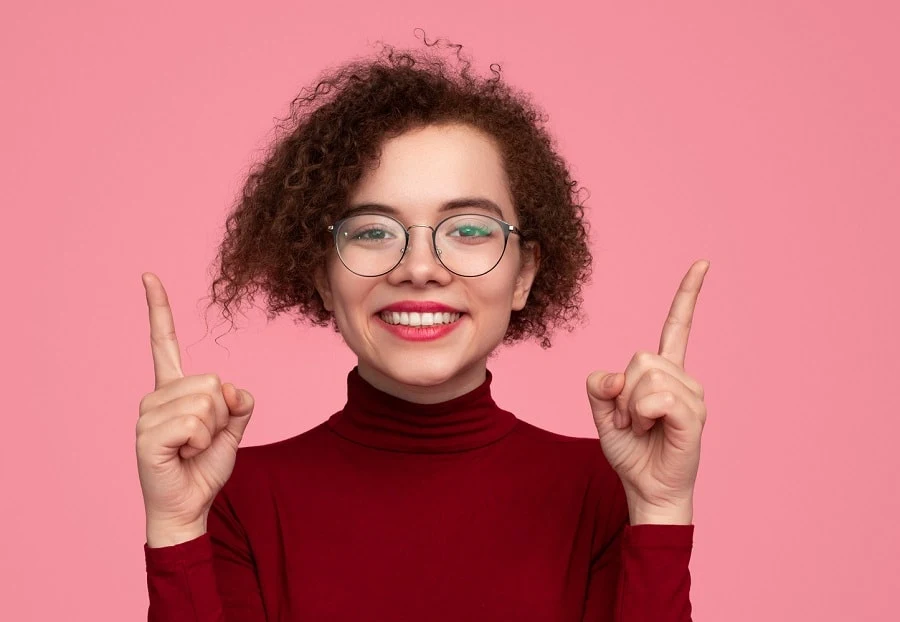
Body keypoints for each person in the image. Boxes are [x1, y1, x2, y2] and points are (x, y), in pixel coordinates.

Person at [137, 34, 710, 621]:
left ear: (524, 274)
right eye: (372, 231)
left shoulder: (609, 490)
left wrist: (661, 508)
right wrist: (177, 526)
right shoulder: (231, 498)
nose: (419, 269)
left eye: (466, 230)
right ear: (321, 276)